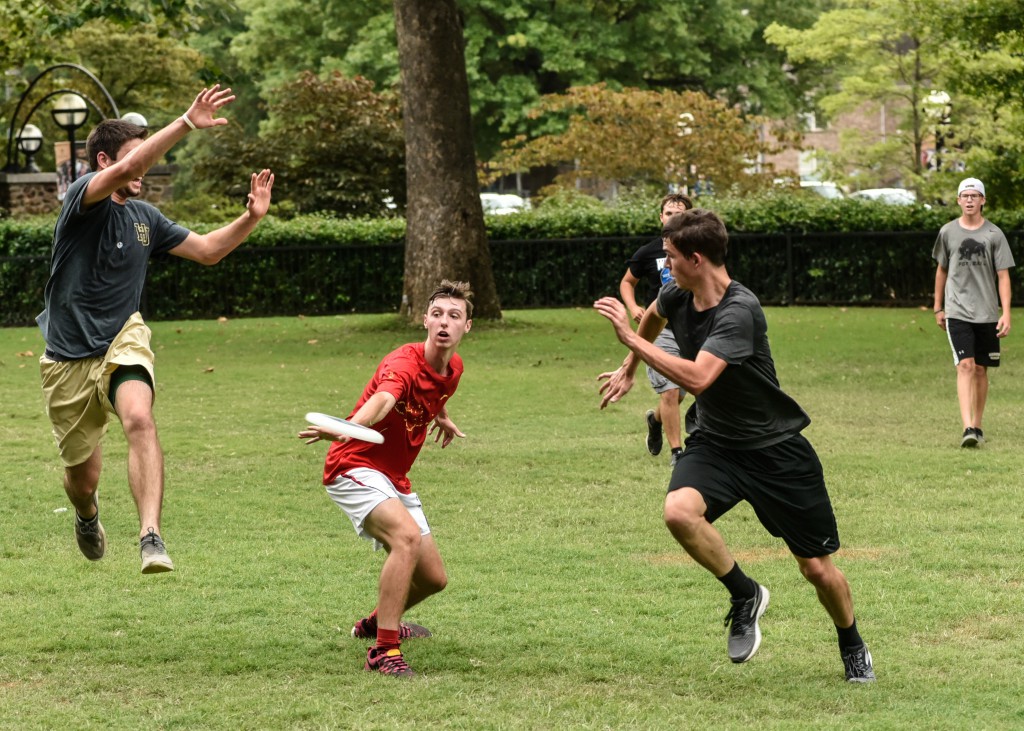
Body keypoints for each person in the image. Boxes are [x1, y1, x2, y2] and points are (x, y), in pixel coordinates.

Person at [594, 209, 875, 683]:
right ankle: (745, 593)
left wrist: (628, 338)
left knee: (816, 569)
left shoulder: (739, 311)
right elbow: (656, 318)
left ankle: (852, 642)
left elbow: (701, 376)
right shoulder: (678, 293)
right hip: (717, 442)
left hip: (776, 451)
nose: (665, 265)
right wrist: (626, 366)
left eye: (671, 256)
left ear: (697, 258)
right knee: (679, 512)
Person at [38, 85, 275, 574]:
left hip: (123, 338)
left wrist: (249, 219)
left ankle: (150, 535)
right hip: (66, 359)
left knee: (139, 418)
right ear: (103, 160)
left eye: (143, 157)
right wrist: (186, 122)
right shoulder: (84, 196)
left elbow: (208, 250)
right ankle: (87, 515)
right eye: (134, 156)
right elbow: (124, 171)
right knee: (82, 480)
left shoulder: (146, 218)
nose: (142, 168)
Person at [299, 280, 474, 677]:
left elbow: (435, 393)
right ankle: (384, 651)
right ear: (425, 320)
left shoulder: (454, 368)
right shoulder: (403, 363)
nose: (444, 322)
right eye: (437, 314)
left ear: (467, 327)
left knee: (433, 578)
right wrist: (347, 427)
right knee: (406, 538)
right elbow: (383, 401)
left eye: (454, 316)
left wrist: (440, 414)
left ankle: (376, 623)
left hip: (393, 475)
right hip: (354, 463)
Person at [932, 177, 1014, 448]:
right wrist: (938, 307)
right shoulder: (947, 233)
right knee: (965, 366)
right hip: (957, 311)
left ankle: (978, 425)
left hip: (988, 313)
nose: (969, 200)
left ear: (982, 200)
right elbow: (942, 270)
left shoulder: (994, 235)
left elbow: (1003, 276)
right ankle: (967, 426)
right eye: (965, 195)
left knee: (980, 369)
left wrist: (1006, 313)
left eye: (974, 195)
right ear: (958, 200)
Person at [618, 193, 692, 465]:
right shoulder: (648, 252)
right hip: (660, 330)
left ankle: (655, 420)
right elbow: (627, 282)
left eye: (679, 213)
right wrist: (633, 307)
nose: (674, 217)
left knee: (681, 393)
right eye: (669, 213)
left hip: (690, 330)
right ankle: (677, 453)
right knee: (670, 392)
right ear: (661, 217)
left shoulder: (697, 252)